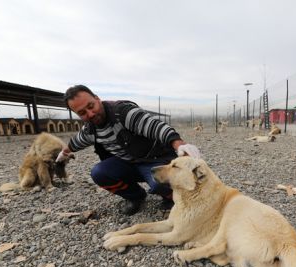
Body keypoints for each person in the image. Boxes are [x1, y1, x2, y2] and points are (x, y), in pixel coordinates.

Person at [56, 85, 201, 215]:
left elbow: (155, 127)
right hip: (128, 163)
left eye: (91, 106)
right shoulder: (90, 129)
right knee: (99, 173)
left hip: (153, 159)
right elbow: (77, 141)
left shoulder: (123, 112)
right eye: (82, 112)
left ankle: (171, 197)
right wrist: (64, 153)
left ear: (97, 98)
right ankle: (136, 196)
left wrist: (179, 144)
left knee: (160, 182)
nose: (90, 114)